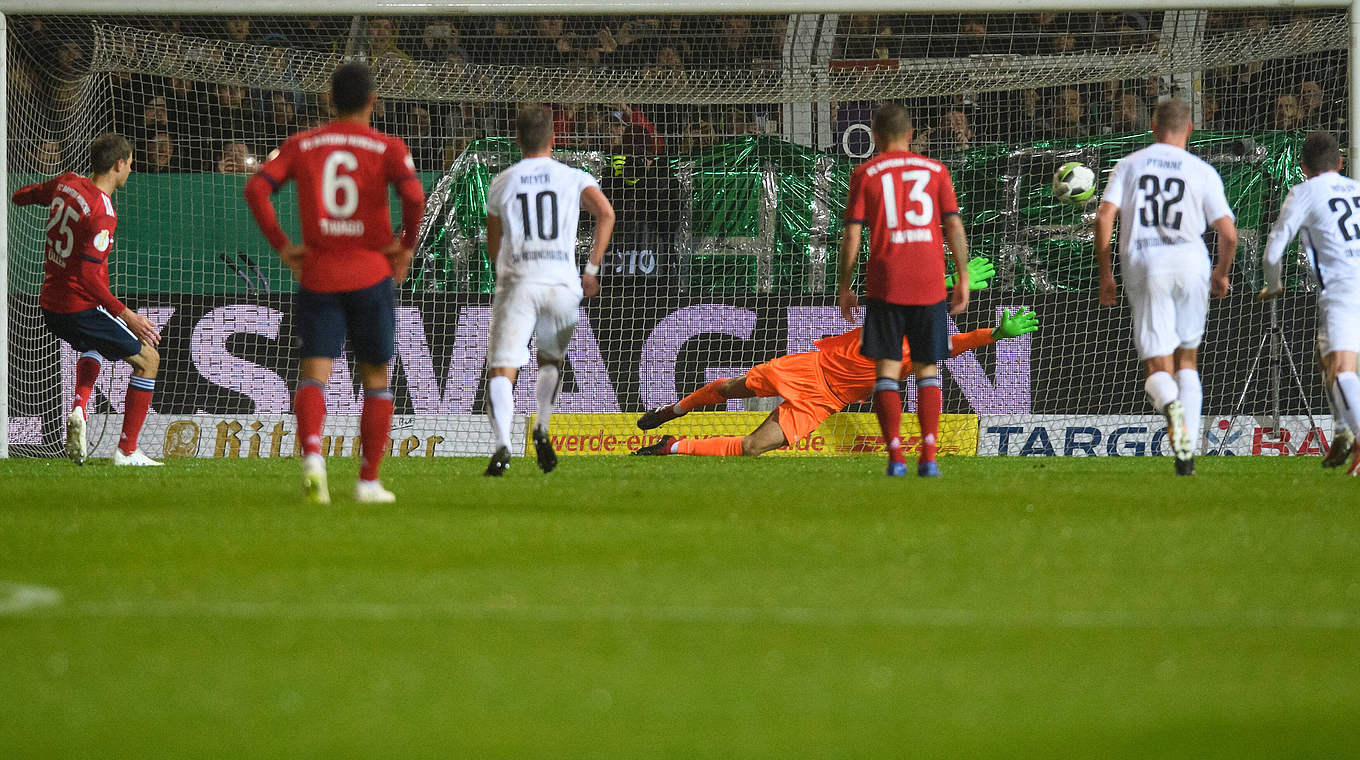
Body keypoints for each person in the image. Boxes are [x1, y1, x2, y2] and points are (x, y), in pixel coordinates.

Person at [244, 61, 425, 504]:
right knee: (377, 378)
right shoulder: (386, 145)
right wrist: (405, 246)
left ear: (329, 100)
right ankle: (367, 482)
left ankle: (312, 459)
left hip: (320, 273)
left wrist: (285, 247)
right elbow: (415, 195)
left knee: (314, 371)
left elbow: (256, 189)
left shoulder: (303, 143)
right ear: (372, 102)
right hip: (370, 273)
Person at [635, 279, 1032, 460]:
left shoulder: (925, 347)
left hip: (827, 399)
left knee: (755, 448)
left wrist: (996, 332)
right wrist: (953, 280)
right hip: (809, 368)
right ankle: (674, 410)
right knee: (728, 390)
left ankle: (671, 446)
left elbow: (961, 344)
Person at [1095, 98, 1238, 476]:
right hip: (1192, 264)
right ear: (1189, 129)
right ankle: (1186, 455)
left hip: (1147, 264)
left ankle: (1172, 411)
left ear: (1153, 128)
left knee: (1158, 366)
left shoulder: (1129, 165)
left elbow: (1104, 216)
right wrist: (1221, 274)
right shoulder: (1202, 170)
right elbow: (1228, 233)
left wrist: (1105, 274)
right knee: (1187, 359)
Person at [11, 133, 163, 466]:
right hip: (79, 306)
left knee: (92, 346)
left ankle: (80, 405)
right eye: (130, 165)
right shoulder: (103, 212)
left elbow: (30, 194)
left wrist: (16, 196)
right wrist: (128, 315)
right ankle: (127, 451)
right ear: (119, 164)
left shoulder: (68, 183)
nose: (130, 172)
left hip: (50, 304)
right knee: (149, 359)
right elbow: (89, 278)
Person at [836, 103, 971, 478]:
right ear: (911, 134)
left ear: (875, 136)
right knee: (928, 367)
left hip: (886, 282)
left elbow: (852, 234)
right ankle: (928, 455)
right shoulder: (936, 171)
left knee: (887, 370)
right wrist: (962, 276)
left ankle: (895, 456)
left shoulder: (864, 173)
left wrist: (845, 286)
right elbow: (954, 227)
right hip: (929, 282)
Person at [482, 104, 616, 476]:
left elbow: (494, 246)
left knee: (502, 369)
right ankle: (541, 425)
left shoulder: (503, 181)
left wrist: (506, 272)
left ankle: (504, 445)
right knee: (550, 360)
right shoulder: (574, 177)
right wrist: (591, 269)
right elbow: (606, 214)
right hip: (562, 283)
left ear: (517, 140)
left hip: (519, 282)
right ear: (553, 140)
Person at [1259, 131, 1360, 474]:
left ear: (1302, 167)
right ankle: (1344, 431)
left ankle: (1356, 433)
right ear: (1341, 163)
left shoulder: (1303, 192)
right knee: (1324, 352)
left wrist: (1273, 285)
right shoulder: (1357, 189)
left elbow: (1273, 252)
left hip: (1344, 288)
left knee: (1341, 368)